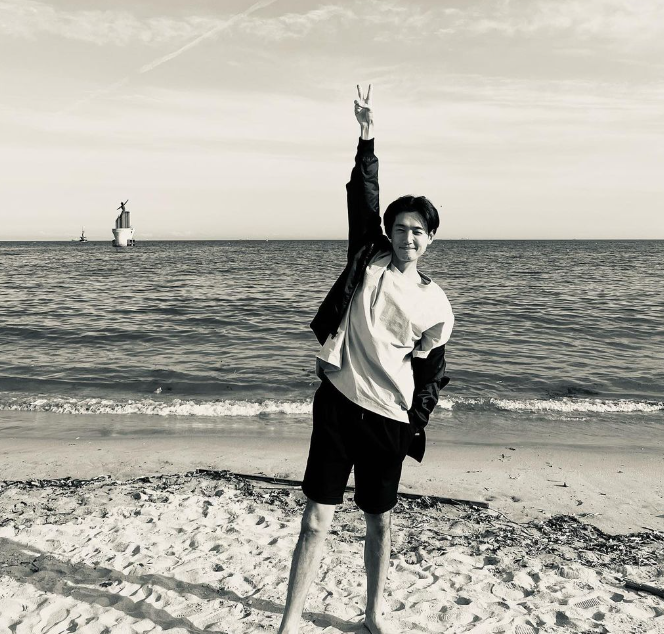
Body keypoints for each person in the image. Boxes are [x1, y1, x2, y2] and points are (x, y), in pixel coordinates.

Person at [277, 85, 454, 634]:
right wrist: (367, 136)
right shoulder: (368, 256)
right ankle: (290, 622)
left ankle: (374, 615)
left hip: (387, 421)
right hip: (337, 404)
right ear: (388, 233)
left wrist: (412, 424)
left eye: (417, 231)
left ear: (430, 239)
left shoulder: (436, 303)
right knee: (316, 520)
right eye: (400, 228)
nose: (407, 237)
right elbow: (364, 195)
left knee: (380, 523)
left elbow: (432, 373)